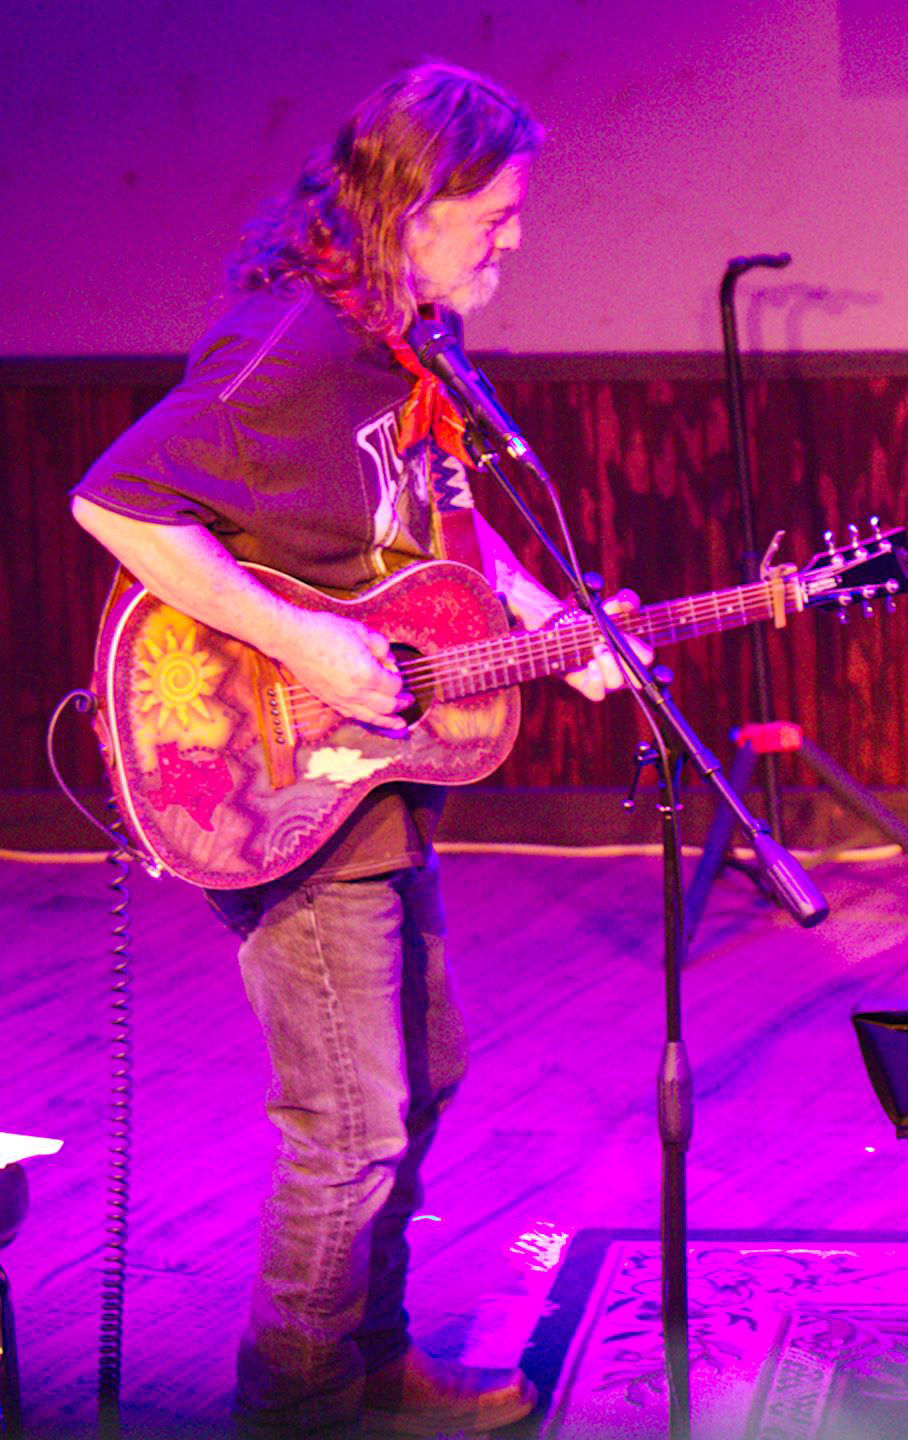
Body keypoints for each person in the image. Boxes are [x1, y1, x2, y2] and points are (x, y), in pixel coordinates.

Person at [69, 64, 648, 1435]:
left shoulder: (409, 349)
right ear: (414, 204)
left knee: (422, 1078)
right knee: (349, 1126)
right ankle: (295, 1403)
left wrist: (548, 624)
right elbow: (117, 501)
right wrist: (304, 641)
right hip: (275, 774)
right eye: (494, 214)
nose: (514, 237)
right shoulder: (292, 346)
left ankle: (365, 1368)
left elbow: (436, 541)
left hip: (367, 782)